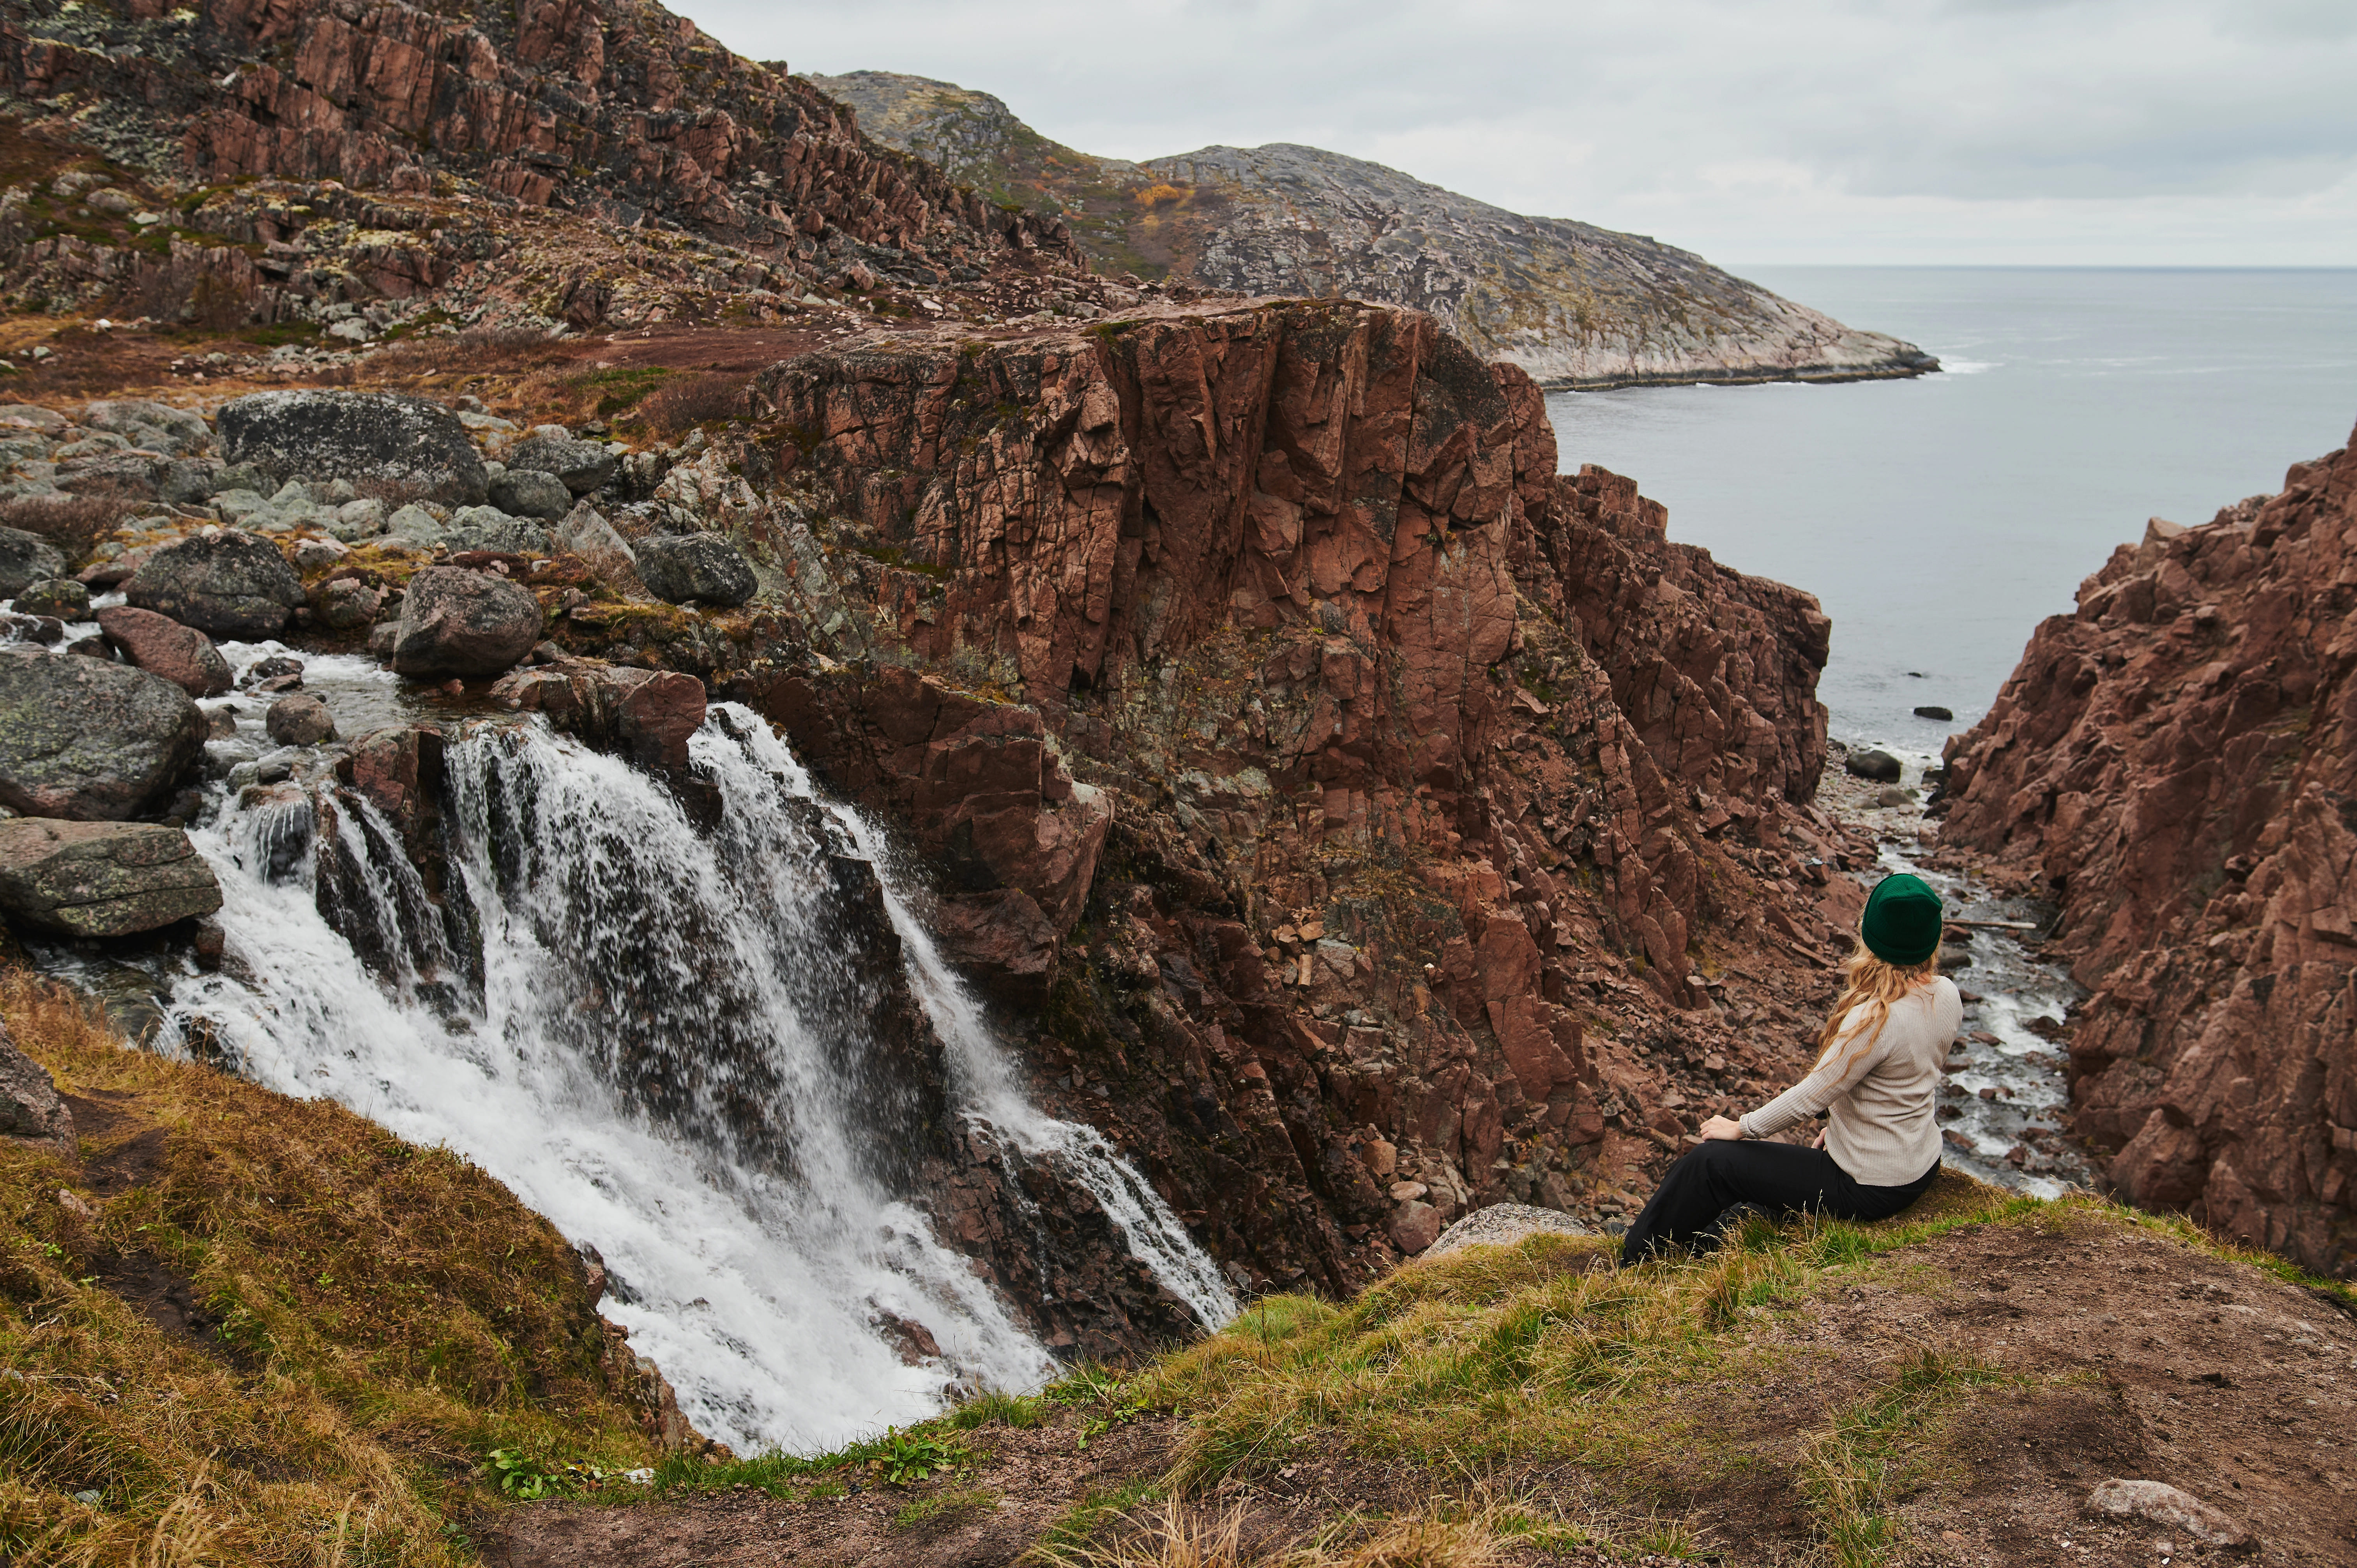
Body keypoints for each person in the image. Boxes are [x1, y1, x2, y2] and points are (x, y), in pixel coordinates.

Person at [1618, 871, 1960, 1264]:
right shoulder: (1946, 995)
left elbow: (1813, 1094)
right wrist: (1840, 1130)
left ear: (1873, 938)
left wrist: (1741, 1127)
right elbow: (1900, 1080)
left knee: (1710, 1163)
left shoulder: (1875, 1019)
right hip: (1920, 1164)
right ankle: (1709, 1241)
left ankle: (1634, 1256)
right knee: (1759, 1188)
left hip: (1867, 1186)